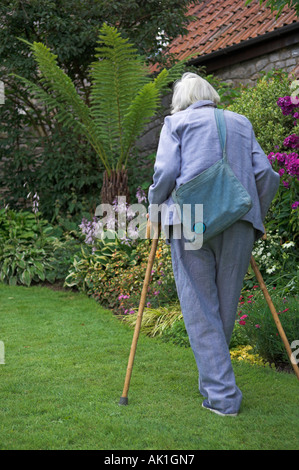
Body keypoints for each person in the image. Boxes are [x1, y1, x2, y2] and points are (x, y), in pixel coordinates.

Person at [147, 72, 280, 417]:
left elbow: (165, 173)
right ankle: (213, 384)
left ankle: (221, 398)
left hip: (191, 220)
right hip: (237, 220)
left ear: (181, 99)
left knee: (200, 307)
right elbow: (265, 174)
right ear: (210, 94)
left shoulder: (177, 122)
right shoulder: (240, 122)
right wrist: (255, 216)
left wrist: (154, 208)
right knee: (223, 305)